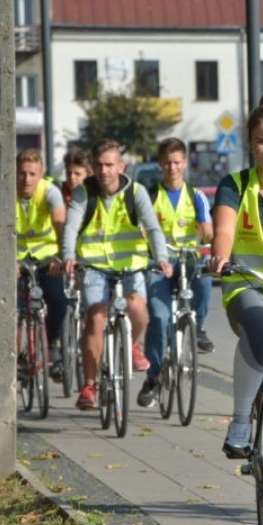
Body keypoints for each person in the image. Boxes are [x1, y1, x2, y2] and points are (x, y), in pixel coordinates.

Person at [61, 138, 171, 411]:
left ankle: (132, 343)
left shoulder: (136, 193)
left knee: (137, 307)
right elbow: (71, 227)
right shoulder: (83, 194)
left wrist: (162, 259)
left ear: (121, 166)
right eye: (98, 165)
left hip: (130, 267)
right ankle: (89, 386)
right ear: (91, 166)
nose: (104, 171)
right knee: (95, 319)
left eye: (109, 165)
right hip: (94, 268)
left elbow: (153, 228)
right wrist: (68, 256)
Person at [138, 137, 216, 408]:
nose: (172, 167)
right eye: (167, 163)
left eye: (177, 162)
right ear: (161, 164)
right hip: (158, 264)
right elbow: (141, 230)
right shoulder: (150, 196)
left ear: (184, 164)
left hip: (187, 259)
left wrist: (205, 232)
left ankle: (200, 326)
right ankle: (153, 376)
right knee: (159, 318)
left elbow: (207, 230)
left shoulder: (196, 196)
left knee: (205, 280)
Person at [15, 149, 68, 379]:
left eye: (32, 174)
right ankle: (17, 355)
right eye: (22, 173)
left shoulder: (50, 192)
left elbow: (60, 224)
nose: (26, 179)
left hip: (48, 257)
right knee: (11, 308)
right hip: (16, 258)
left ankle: (53, 343)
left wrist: (61, 257)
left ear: (41, 174)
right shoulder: (5, 193)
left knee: (58, 300)